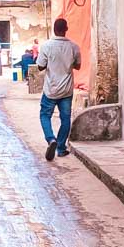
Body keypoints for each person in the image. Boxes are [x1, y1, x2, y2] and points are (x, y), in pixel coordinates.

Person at [36, 17, 81, 161]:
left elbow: (40, 66)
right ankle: (61, 148)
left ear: (54, 30)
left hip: (51, 89)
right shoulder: (74, 47)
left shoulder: (46, 46)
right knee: (65, 119)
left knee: (44, 115)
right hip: (66, 90)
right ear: (66, 29)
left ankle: (51, 139)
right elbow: (78, 66)